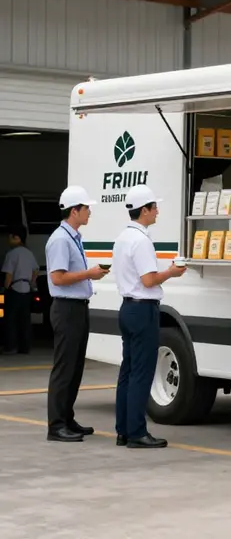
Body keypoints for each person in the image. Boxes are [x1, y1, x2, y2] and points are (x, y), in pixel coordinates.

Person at [112, 184, 185, 449]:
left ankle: (123, 429)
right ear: (144, 210)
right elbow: (149, 279)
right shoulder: (141, 240)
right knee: (142, 373)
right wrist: (172, 272)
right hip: (143, 309)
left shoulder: (123, 238)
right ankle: (137, 433)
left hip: (127, 307)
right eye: (154, 207)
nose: (157, 211)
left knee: (128, 371)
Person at [45, 185, 109, 442]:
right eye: (86, 208)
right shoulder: (60, 239)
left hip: (77, 307)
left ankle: (67, 418)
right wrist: (89, 274)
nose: (89, 212)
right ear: (74, 211)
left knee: (75, 367)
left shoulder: (72, 237)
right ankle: (56, 425)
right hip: (66, 307)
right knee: (64, 368)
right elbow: (58, 278)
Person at [2, 224, 39, 355]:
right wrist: (32, 283)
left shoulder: (12, 254)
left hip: (14, 289)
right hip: (26, 290)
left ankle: (10, 346)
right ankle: (25, 347)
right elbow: (35, 270)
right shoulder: (29, 253)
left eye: (10, 238)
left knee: (10, 319)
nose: (8, 240)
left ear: (16, 238)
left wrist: (5, 288)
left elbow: (8, 274)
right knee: (25, 320)